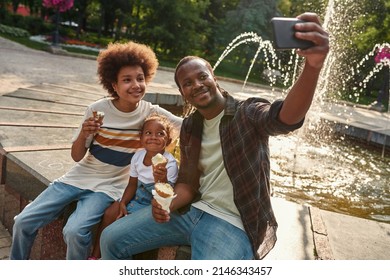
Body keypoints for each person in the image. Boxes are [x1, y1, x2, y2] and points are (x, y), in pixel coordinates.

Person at [100, 12, 329, 260]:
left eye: (202, 76)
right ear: (182, 93)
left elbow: (285, 117)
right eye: (187, 83)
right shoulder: (190, 127)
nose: (196, 85)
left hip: (232, 223)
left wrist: (312, 66)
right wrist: (167, 204)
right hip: (189, 213)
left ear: (214, 78)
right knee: (110, 238)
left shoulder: (246, 113)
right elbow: (187, 184)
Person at [9, 41, 182, 260]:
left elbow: (186, 125)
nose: (135, 85)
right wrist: (84, 133)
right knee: (23, 221)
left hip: (109, 188)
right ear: (114, 85)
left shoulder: (150, 112)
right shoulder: (97, 110)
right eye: (127, 80)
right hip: (77, 178)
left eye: (140, 78)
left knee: (74, 231)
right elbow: (76, 156)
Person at [88, 113, 179, 260]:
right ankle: (94, 256)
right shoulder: (138, 156)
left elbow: (167, 194)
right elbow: (132, 184)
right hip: (136, 196)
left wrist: (161, 178)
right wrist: (123, 202)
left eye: (160, 134)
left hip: (152, 203)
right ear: (141, 138)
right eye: (148, 133)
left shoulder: (170, 163)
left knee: (122, 226)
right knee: (111, 213)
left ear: (168, 139)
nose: (154, 137)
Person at [369, 45, 390, 112]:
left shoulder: (384, 51)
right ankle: (379, 102)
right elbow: (377, 60)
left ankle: (379, 102)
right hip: (385, 70)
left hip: (386, 70)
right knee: (383, 86)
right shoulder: (382, 52)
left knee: (384, 86)